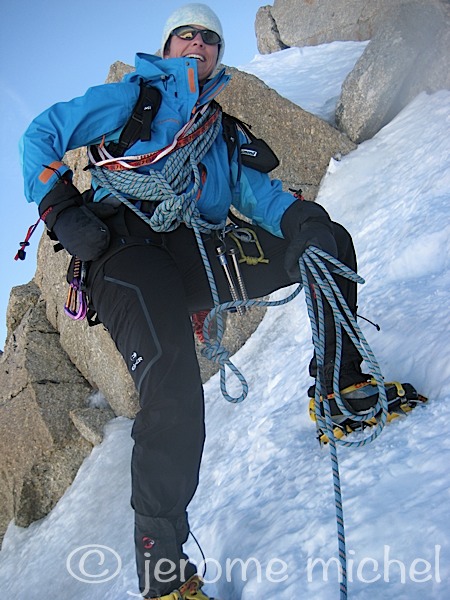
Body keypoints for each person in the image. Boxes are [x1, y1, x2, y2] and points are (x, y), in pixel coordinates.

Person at [19, 3, 419, 598]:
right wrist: (61, 208)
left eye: (210, 38)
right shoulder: (134, 101)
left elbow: (263, 197)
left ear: (217, 54)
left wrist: (302, 219)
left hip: (200, 253)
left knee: (326, 243)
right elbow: (40, 135)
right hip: (124, 252)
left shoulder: (220, 131)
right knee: (172, 387)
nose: (199, 44)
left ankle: (339, 389)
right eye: (187, 34)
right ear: (168, 45)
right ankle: (164, 576)